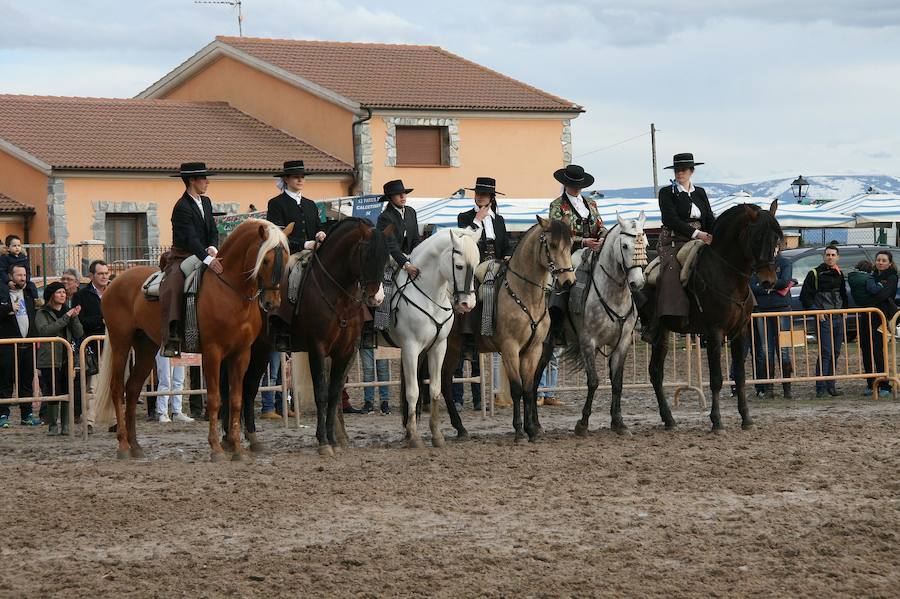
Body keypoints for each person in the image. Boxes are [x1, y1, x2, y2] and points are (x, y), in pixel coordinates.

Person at [454, 177, 511, 411]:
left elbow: (505, 244)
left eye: (484, 195)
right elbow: (465, 240)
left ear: (491, 197)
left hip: (496, 263)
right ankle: (474, 325)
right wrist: (477, 221)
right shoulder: (466, 217)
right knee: (482, 284)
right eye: (478, 193)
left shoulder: (499, 220)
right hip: (475, 263)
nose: (480, 197)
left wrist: (507, 255)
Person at [160, 162, 221, 357]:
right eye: (203, 178)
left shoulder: (207, 201)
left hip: (205, 253)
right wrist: (207, 259)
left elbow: (212, 228)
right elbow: (190, 238)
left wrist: (213, 247)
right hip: (183, 255)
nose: (207, 182)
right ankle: (173, 333)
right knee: (175, 282)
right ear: (192, 180)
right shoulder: (182, 206)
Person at [266, 160, 327, 351]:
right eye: (296, 176)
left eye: (302, 176)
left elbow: (319, 226)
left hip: (314, 251)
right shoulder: (276, 203)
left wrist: (321, 234)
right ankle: (282, 326)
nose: (300, 179)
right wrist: (303, 244)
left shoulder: (310, 204)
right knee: (285, 275)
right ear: (286, 179)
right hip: (290, 252)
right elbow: (277, 236)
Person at [653, 153, 715, 331]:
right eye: (677, 170)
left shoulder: (700, 192)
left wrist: (713, 235)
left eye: (684, 170)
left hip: (702, 237)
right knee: (671, 268)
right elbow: (671, 219)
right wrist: (698, 234)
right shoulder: (667, 192)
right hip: (674, 240)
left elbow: (709, 217)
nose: (680, 173)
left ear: (691, 171)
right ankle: (671, 315)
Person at [799, 245, 848, 397]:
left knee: (836, 351)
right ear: (823, 256)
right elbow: (805, 297)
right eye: (828, 255)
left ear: (837, 257)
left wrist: (845, 310)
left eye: (833, 255)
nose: (830, 257)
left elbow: (843, 294)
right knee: (826, 352)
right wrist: (816, 311)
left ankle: (831, 386)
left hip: (838, 317)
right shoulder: (814, 273)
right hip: (824, 318)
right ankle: (820, 388)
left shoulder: (839, 273)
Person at [35, 281, 83, 435]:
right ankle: (53, 425)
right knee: (52, 392)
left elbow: (79, 333)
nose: (63, 295)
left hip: (67, 358)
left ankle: (66, 425)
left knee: (67, 391)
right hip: (49, 359)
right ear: (51, 295)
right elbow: (46, 331)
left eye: (64, 292)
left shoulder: (68, 312)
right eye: (59, 292)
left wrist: (74, 317)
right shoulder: (42, 313)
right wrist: (66, 317)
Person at [749, 242, 794, 399]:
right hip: (762, 311)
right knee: (765, 349)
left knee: (784, 350)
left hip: (782, 309)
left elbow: (785, 281)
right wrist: (771, 287)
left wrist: (767, 286)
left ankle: (787, 388)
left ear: (778, 247)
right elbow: (752, 286)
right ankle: (768, 388)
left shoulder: (785, 262)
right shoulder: (757, 264)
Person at [0, 265, 41, 428]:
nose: (23, 278)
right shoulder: (3, 292)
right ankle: (3, 415)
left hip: (28, 343)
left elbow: (31, 285)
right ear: (10, 276)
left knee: (26, 379)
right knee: (5, 379)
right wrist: (9, 308)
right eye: (19, 275)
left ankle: (27, 415)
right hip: (7, 344)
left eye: (24, 275)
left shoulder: (29, 291)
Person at [852, 252, 898, 396]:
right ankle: (871, 384)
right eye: (878, 260)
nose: (880, 262)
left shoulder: (892, 276)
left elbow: (884, 294)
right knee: (865, 348)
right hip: (867, 316)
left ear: (889, 263)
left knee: (878, 350)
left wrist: (868, 301)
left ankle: (884, 385)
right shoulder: (870, 276)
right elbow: (860, 292)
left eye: (884, 260)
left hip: (882, 317)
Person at [377, 179, 421, 278]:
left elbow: (416, 238)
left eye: (404, 193)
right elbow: (391, 246)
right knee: (387, 287)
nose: (402, 196)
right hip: (391, 259)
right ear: (390, 198)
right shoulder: (385, 217)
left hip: (411, 256)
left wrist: (418, 255)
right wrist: (406, 264)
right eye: (398, 194)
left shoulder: (411, 212)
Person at [155, 352, 192, 422]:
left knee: (179, 380)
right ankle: (162, 412)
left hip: (179, 348)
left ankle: (177, 411)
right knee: (165, 380)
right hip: (165, 347)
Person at [0, 235, 38, 301]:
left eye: (19, 245)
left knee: (32, 286)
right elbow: (2, 271)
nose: (17, 248)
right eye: (14, 246)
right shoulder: (4, 258)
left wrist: (26, 281)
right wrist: (8, 281)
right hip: (9, 280)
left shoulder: (23, 258)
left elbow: (28, 271)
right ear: (8, 248)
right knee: (3, 288)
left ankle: (36, 300)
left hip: (22, 280)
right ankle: (4, 302)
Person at [359, 347, 390, 414]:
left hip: (381, 342)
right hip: (366, 341)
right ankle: (369, 401)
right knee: (369, 371)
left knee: (383, 370)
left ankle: (384, 401)